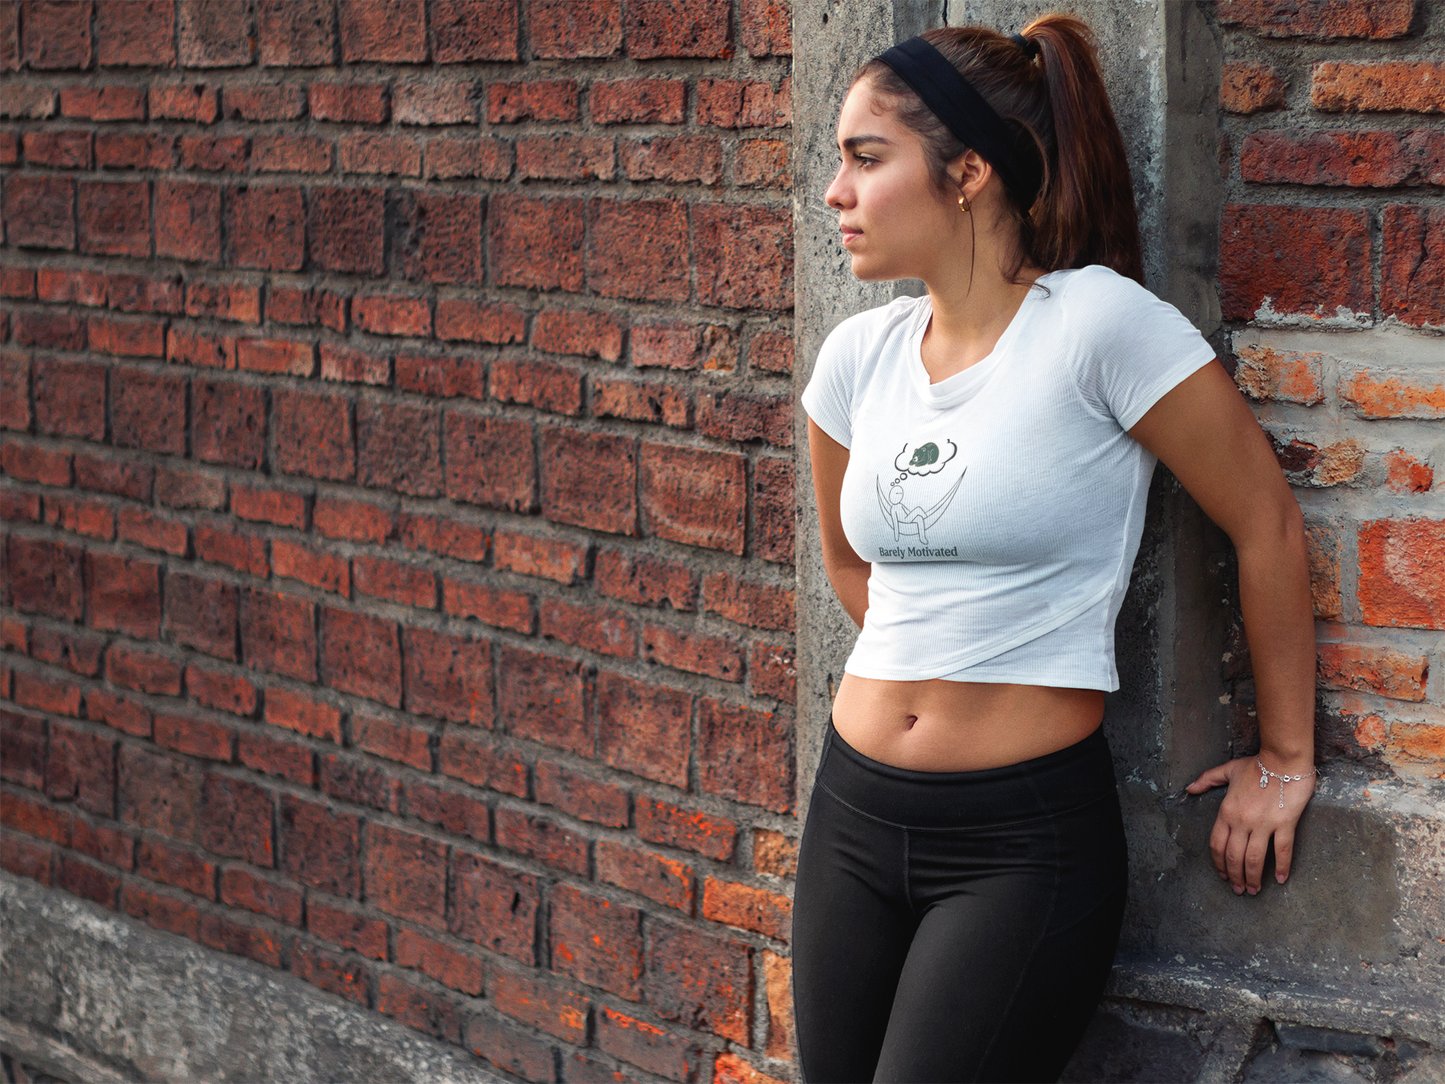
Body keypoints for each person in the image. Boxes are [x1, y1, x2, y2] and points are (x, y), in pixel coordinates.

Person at [794, 15, 1317, 1083]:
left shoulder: (1096, 328)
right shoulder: (858, 355)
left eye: (862, 158)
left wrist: (1285, 759)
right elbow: (853, 571)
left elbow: (1261, 518)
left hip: (1016, 843)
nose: (833, 194)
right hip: (849, 812)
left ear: (968, 172)